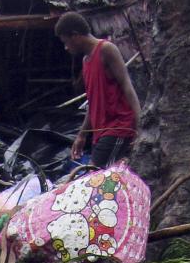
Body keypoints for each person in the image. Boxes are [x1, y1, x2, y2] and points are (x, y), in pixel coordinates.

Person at [55, 12, 141, 168]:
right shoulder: (86, 60)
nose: (66, 48)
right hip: (100, 133)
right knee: (105, 180)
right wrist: (82, 134)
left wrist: (140, 124)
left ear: (75, 36)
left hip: (118, 127)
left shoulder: (106, 49)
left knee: (95, 177)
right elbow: (93, 101)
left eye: (66, 42)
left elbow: (127, 86)